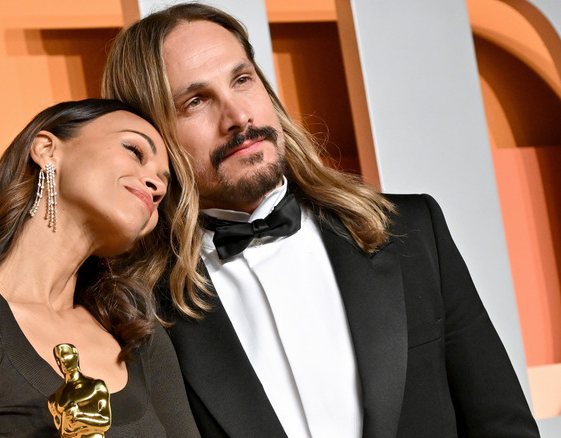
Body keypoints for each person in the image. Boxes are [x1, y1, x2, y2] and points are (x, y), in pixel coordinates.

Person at [102, 3, 540, 437]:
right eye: (196, 101)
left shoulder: (411, 229)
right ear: (150, 136)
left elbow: (503, 425)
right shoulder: (136, 308)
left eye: (242, 80)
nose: (238, 118)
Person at [0, 99, 202, 437]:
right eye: (134, 151)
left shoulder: (140, 342)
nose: (157, 186)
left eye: (163, 182)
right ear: (47, 149)